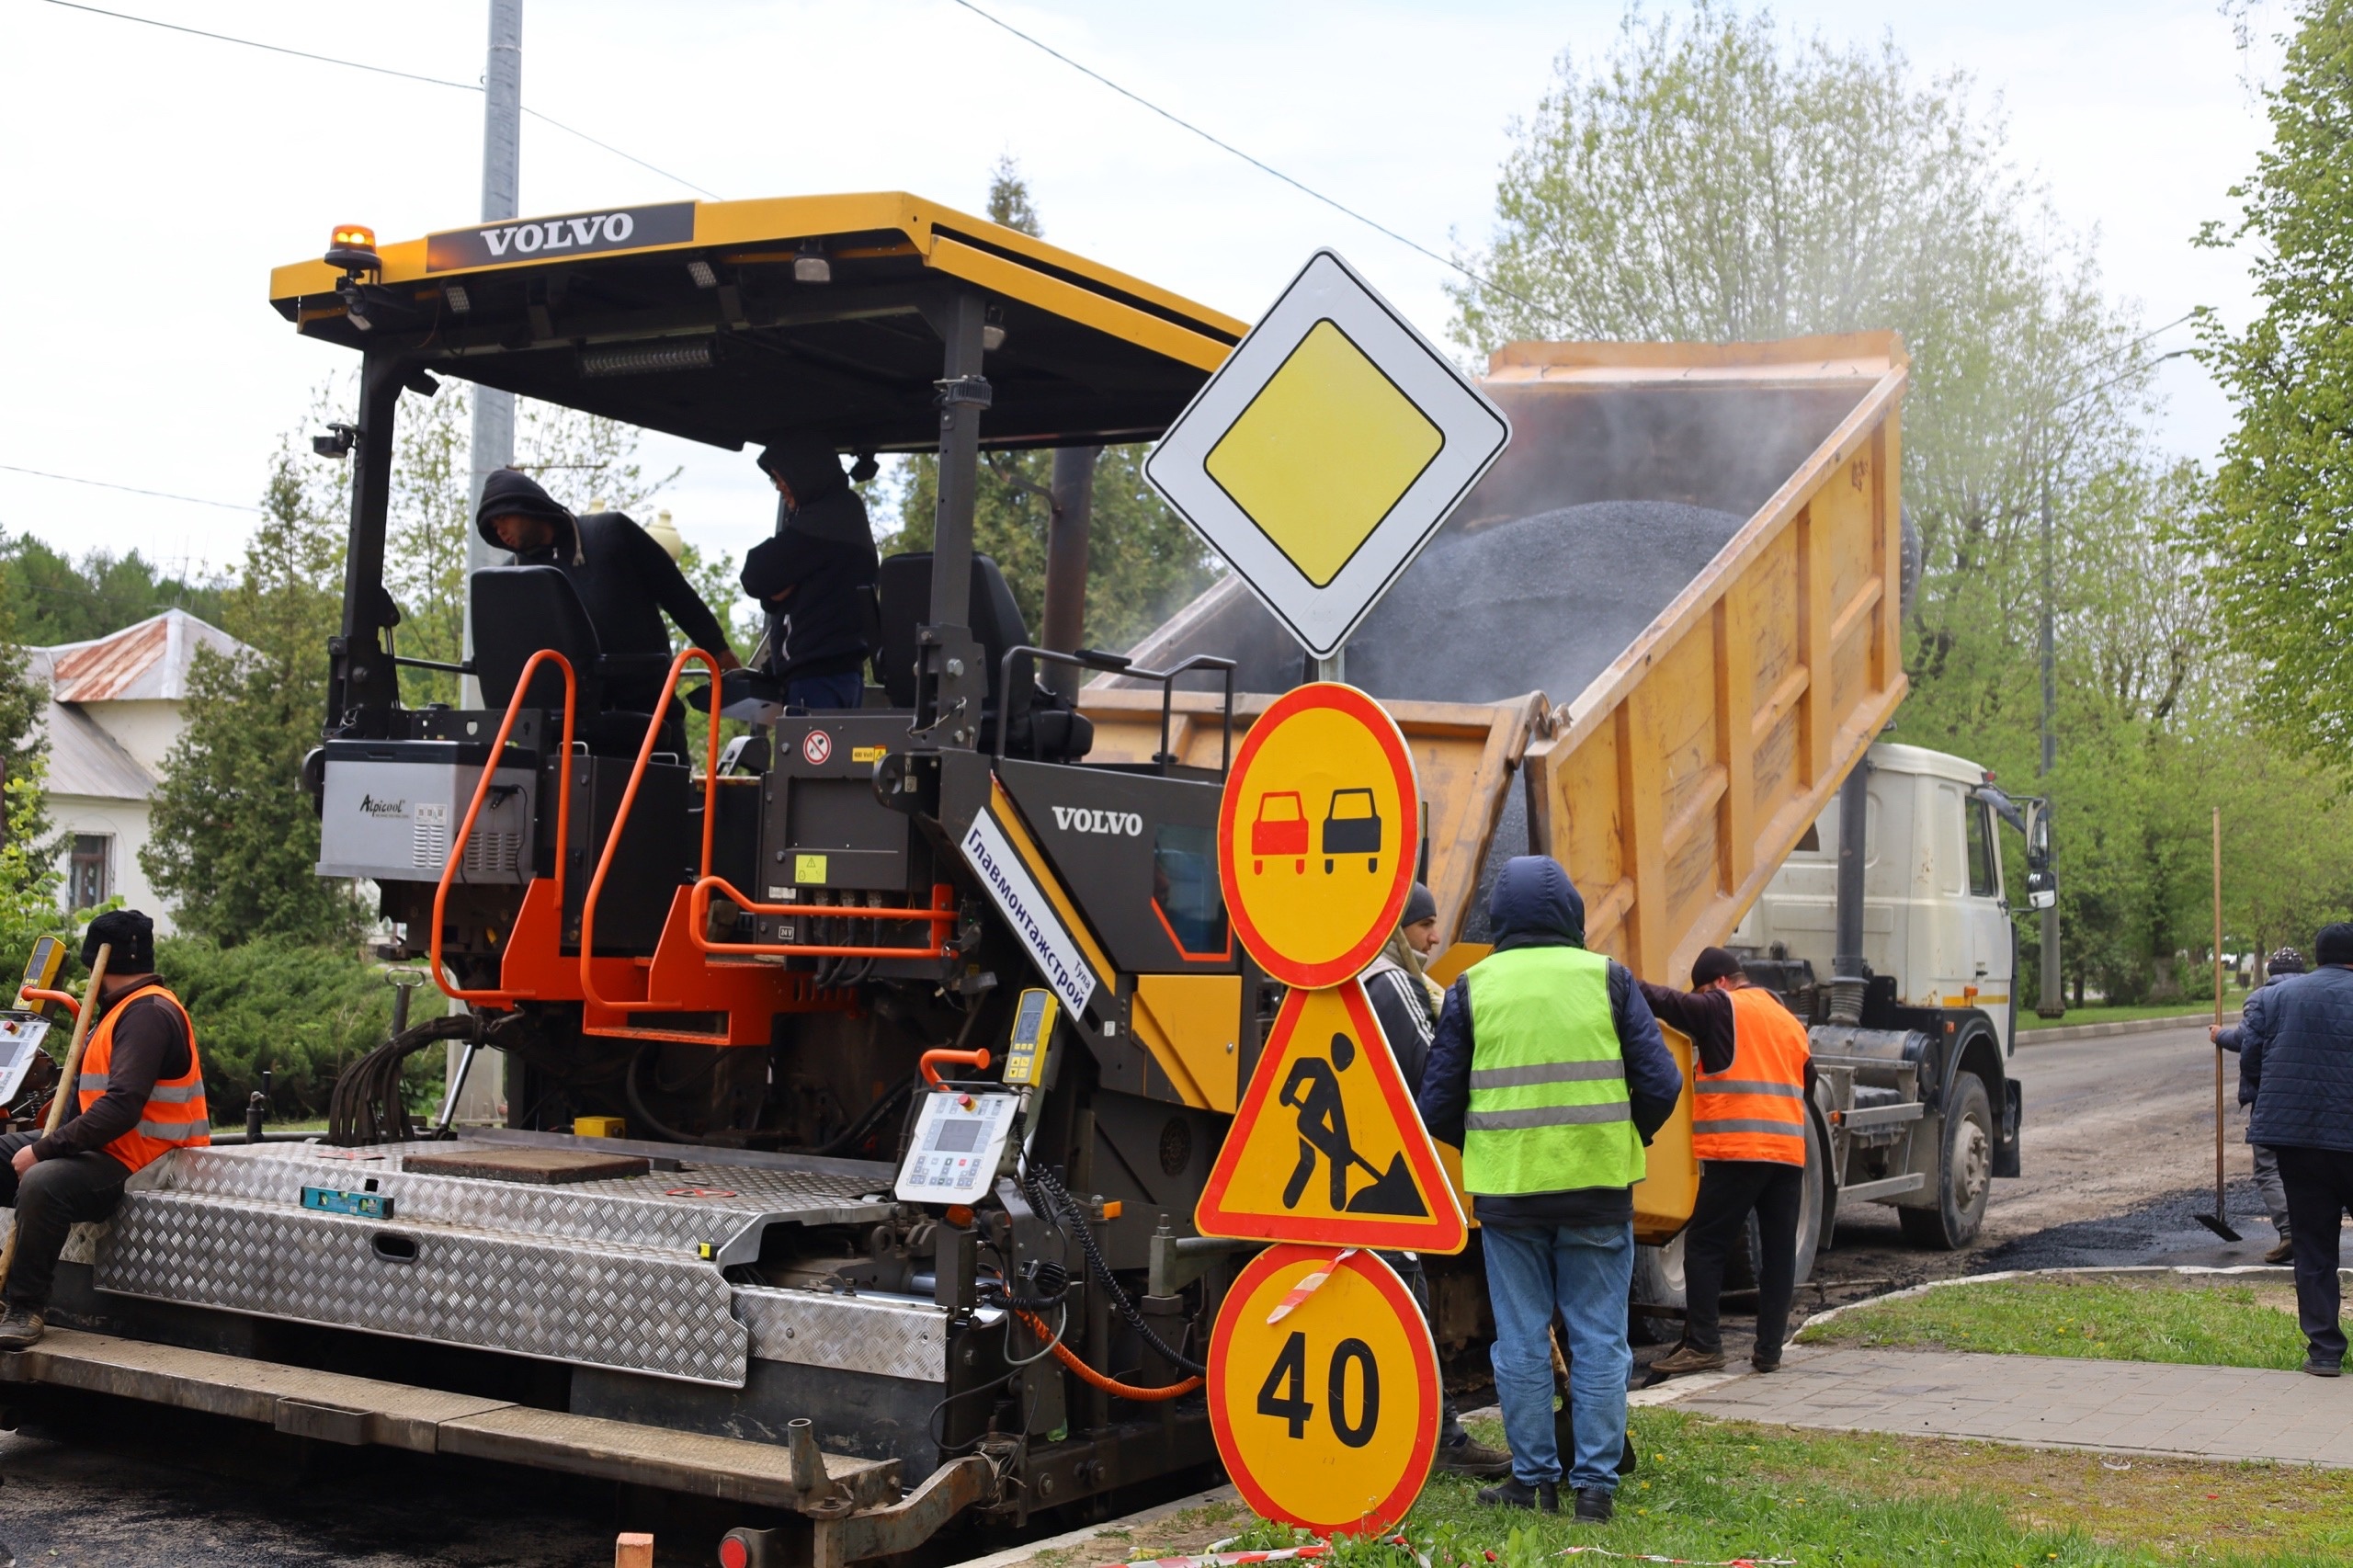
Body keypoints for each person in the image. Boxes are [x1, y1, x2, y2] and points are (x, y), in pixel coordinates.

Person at [1417, 857, 1684, 1520]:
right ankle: (1595, 1487)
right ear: (1571, 915)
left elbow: (1437, 1101)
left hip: (1510, 1195)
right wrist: (1625, 1139)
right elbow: (1661, 1084)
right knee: (1599, 1338)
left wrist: (1488, 1146)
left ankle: (1533, 1479)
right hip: (1597, 1189)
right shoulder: (1609, 980)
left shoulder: (1472, 987)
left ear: (1500, 920)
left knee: (1521, 1340)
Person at [1355, 892, 1512, 1479]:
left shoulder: (1348, 978)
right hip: (1382, 1177)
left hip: (1346, 1177)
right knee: (1408, 1306)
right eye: (1424, 925)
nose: (1434, 937)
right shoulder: (1393, 981)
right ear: (1397, 926)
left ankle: (1391, 1439)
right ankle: (1438, 1441)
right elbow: (1430, 1077)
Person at [0, 912, 207, 1349]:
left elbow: (121, 1108)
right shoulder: (123, 1009)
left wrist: (44, 1150)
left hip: (147, 1161)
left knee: (43, 1182)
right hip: (107, 1148)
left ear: (98, 958)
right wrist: (46, 1143)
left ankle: (24, 1307)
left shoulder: (147, 1014)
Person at [1636, 948, 1812, 1375]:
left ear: (1717, 983)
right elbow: (1810, 1079)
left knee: (1705, 1244)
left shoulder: (1722, 1006)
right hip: (1787, 1154)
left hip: (1740, 1150)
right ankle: (1769, 1350)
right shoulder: (1788, 1020)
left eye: (1702, 991)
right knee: (1778, 1252)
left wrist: (1617, 979)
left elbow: (1668, 1003)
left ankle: (1704, 1344)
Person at [475, 470, 741, 722]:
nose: (499, 531)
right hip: (563, 722)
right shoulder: (513, 575)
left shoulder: (610, 532)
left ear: (524, 505)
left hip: (648, 708)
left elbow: (675, 592)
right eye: (492, 527)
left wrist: (719, 650)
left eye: (501, 519)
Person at [2239, 921, 2353, 1377]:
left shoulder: (2277, 997)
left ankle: (2324, 1351)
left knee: (2313, 1245)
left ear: (2318, 955)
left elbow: (2251, 1056)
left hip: (2298, 1139)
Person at [742, 436, 881, 710]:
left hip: (818, 676)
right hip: (835, 672)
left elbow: (756, 572)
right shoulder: (843, 515)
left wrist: (777, 591)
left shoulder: (827, 518)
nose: (779, 487)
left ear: (803, 474)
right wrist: (775, 594)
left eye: (782, 479)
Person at [2214, 946, 2306, 1264]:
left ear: (2270, 970)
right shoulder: (2311, 995)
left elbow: (2247, 1044)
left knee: (2268, 1167)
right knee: (2311, 1167)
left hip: (2272, 1099)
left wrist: (2219, 1035)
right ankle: (2312, 1233)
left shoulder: (2261, 998)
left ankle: (2290, 1231)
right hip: (2311, 1096)